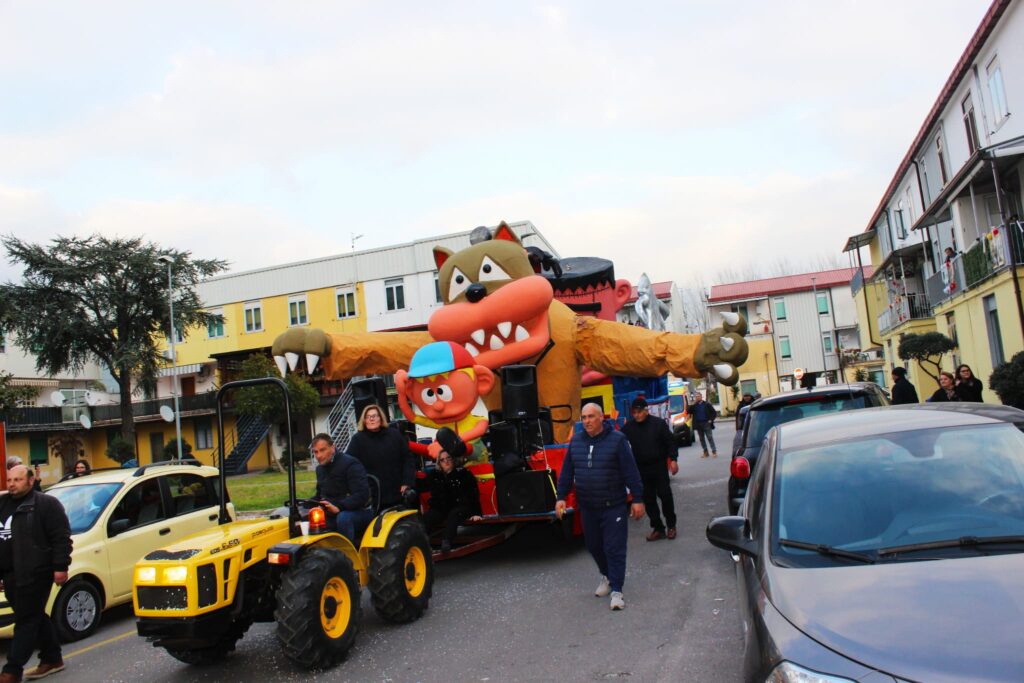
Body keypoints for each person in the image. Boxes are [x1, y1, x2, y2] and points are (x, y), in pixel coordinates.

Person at [555, 402, 644, 611]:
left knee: (614, 548)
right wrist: (561, 497)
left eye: (591, 417)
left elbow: (631, 471)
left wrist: (638, 499)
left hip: (613, 505)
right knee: (594, 546)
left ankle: (617, 591)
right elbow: (567, 472)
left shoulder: (617, 440)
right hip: (588, 506)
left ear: (601, 418)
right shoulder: (576, 442)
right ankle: (606, 576)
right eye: (584, 417)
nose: (587, 421)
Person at [0, 465, 72, 683]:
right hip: (11, 574)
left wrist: (61, 566)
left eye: (18, 479)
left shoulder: (45, 504)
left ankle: (12, 670)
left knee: (26, 619)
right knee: (35, 616)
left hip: (36, 571)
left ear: (31, 481)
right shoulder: (2, 504)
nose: (12, 484)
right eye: (10, 479)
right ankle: (52, 658)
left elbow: (61, 537)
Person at [620, 397, 678, 542]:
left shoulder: (658, 424)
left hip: (658, 466)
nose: (636, 415)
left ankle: (671, 525)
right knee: (649, 499)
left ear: (646, 411)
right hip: (640, 468)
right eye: (634, 413)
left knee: (665, 495)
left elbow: (670, 442)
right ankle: (658, 528)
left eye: (639, 412)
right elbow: (617, 441)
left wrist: (673, 459)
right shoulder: (628, 428)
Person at [422, 428, 482, 553]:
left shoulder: (463, 473)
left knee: (454, 514)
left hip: (461, 507)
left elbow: (473, 494)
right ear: (439, 462)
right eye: (443, 459)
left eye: (449, 458)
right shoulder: (434, 475)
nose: (446, 461)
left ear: (453, 460)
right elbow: (422, 487)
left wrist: (477, 513)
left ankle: (446, 543)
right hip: (441, 508)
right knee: (427, 518)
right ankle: (422, 546)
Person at [347, 404, 417, 509]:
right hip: (374, 497)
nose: (371, 419)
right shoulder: (357, 440)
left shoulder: (395, 435)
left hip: (398, 492)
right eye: (368, 417)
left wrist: (407, 482)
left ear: (381, 418)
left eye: (374, 416)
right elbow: (350, 466)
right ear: (364, 421)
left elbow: (408, 459)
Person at [310, 434, 373, 545]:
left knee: (343, 518)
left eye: (322, 450)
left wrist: (339, 507)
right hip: (331, 509)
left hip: (359, 510)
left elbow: (362, 495)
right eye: (315, 452)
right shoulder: (320, 469)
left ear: (333, 448)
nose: (319, 455)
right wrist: (305, 505)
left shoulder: (350, 464)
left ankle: (346, 556)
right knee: (303, 515)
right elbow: (320, 495)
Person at [690, 393, 718, 457]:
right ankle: (705, 452)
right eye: (696, 396)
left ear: (701, 397)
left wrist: (711, 420)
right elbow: (689, 411)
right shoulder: (694, 406)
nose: (697, 397)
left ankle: (714, 451)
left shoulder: (707, 404)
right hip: (698, 424)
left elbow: (714, 413)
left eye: (698, 396)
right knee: (701, 439)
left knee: (710, 437)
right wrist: (693, 404)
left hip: (706, 423)